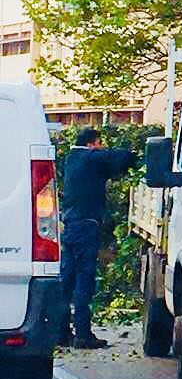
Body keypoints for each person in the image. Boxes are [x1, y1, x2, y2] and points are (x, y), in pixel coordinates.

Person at [60, 128, 137, 349]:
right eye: (100, 143)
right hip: (86, 226)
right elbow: (123, 157)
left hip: (71, 225)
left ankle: (62, 331)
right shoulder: (89, 157)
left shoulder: (71, 159)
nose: (102, 147)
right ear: (92, 143)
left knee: (67, 280)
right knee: (84, 280)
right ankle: (83, 334)